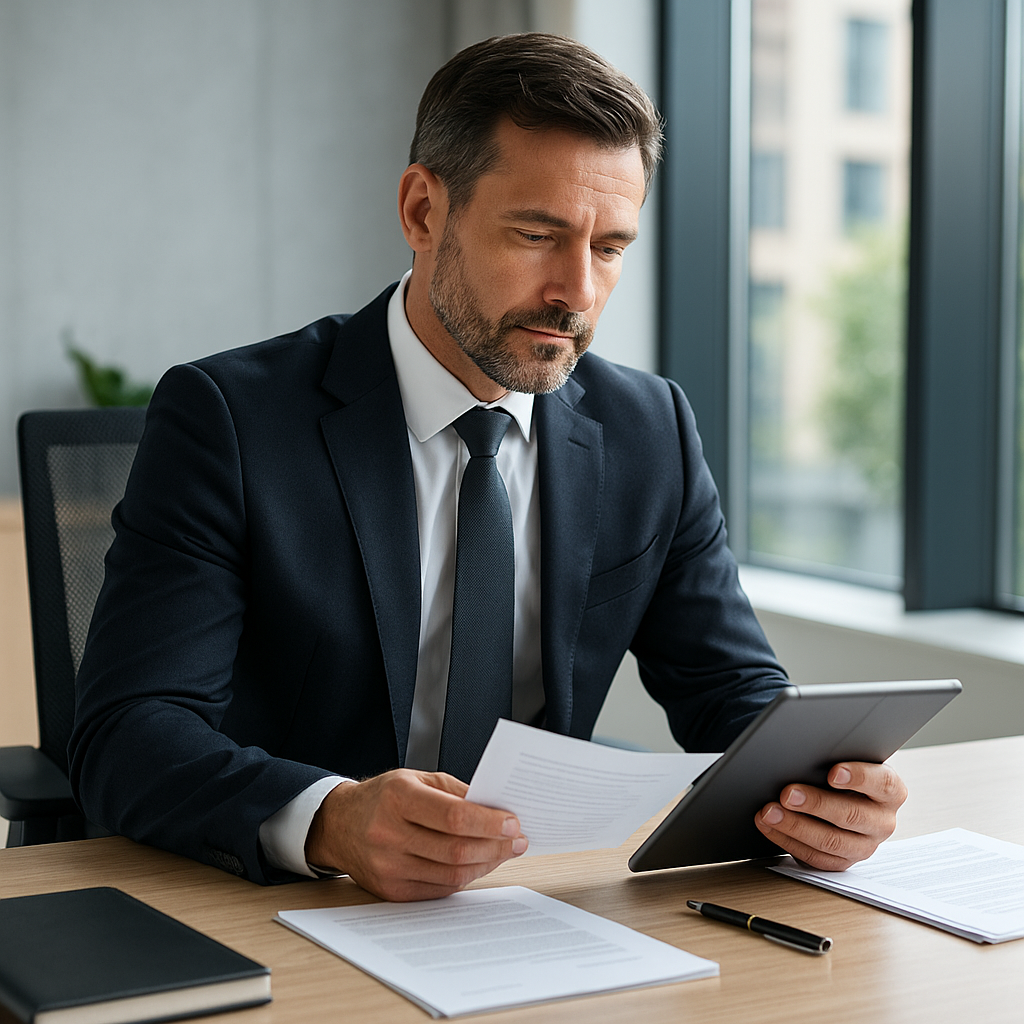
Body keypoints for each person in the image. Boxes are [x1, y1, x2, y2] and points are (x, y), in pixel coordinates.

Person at [69, 33, 906, 901]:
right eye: (538, 233)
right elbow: (128, 733)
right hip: (294, 903)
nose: (577, 292)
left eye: (610, 248)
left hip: (532, 900)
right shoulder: (234, 419)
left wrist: (818, 792)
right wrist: (330, 817)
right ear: (424, 212)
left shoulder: (649, 428)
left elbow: (729, 688)